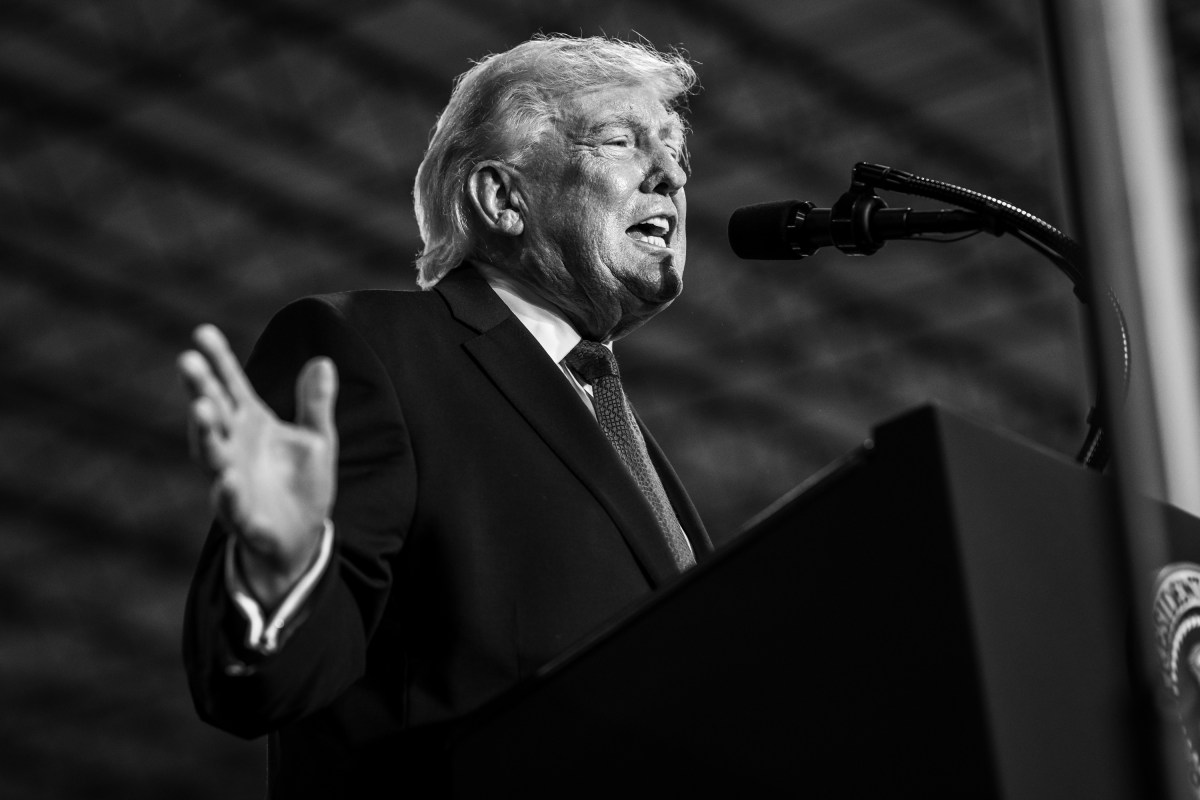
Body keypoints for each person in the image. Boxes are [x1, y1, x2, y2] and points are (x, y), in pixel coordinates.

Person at [178, 34, 712, 796]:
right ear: (501, 198)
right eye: (622, 141)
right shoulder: (371, 350)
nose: (671, 174)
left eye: (675, 153)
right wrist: (279, 571)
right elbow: (259, 691)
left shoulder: (615, 426)